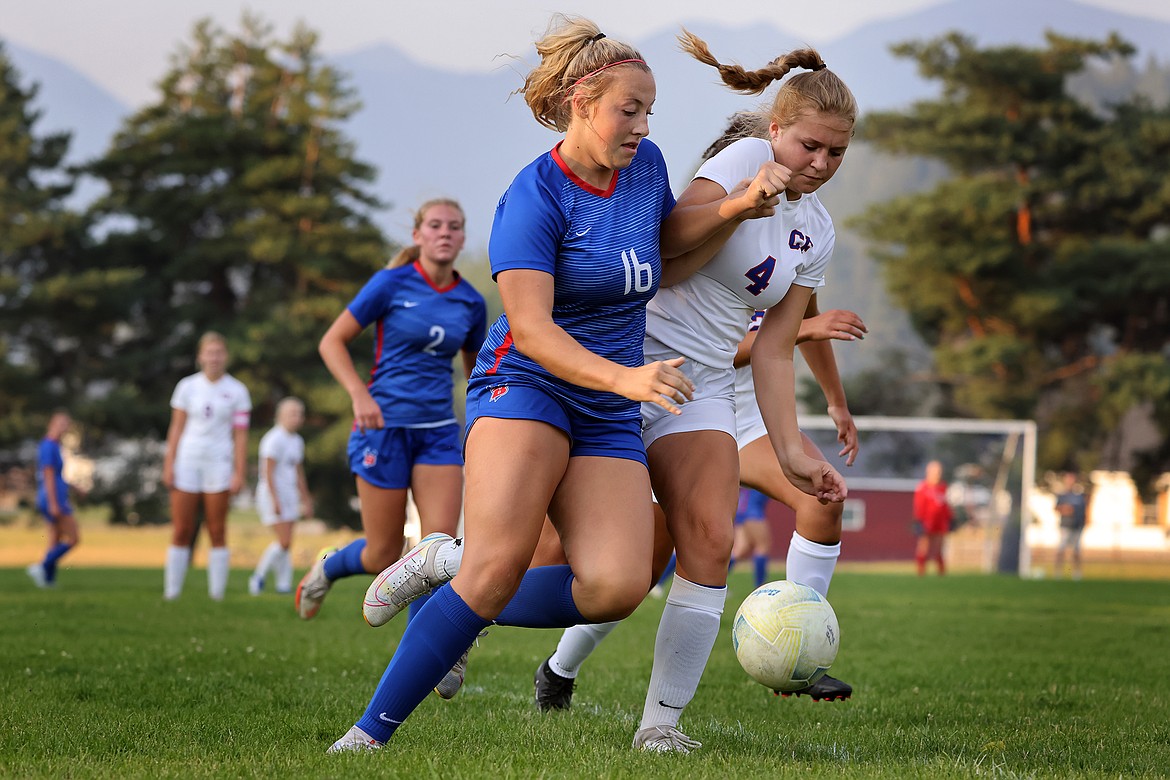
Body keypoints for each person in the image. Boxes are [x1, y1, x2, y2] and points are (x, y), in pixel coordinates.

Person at [361, 30, 855, 753]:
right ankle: (399, 679)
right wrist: (739, 205)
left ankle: (657, 726)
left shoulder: (698, 185)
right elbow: (567, 307)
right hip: (575, 372)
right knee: (507, 564)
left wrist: (789, 450)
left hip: (667, 389)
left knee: (651, 568)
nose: (823, 162)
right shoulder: (552, 192)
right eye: (631, 110)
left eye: (837, 152)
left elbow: (733, 307)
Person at [327, 16, 699, 752]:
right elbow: (530, 329)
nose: (644, 124)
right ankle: (367, 737)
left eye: (650, 110)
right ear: (581, 102)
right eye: (630, 109)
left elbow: (668, 247)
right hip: (524, 385)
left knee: (618, 585)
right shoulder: (533, 197)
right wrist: (626, 378)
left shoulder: (648, 166)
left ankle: (448, 569)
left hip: (608, 402)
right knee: (499, 568)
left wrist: (740, 207)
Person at [301, 198, 487, 623]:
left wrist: (485, 427)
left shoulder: (471, 303)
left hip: (438, 433)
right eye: (436, 225)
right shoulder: (391, 284)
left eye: (454, 227)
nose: (445, 233)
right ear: (417, 235)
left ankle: (428, 651)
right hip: (382, 428)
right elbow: (332, 342)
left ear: (462, 238)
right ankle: (325, 569)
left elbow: (478, 372)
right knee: (382, 552)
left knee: (435, 548)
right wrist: (359, 395)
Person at [162, 331, 252, 601]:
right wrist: (169, 463)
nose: (214, 358)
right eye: (209, 352)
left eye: (219, 352)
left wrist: (239, 471)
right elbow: (176, 428)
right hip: (188, 462)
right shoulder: (187, 387)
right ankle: (172, 592)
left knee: (217, 529)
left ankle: (217, 595)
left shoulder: (237, 391)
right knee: (181, 528)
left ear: (225, 356)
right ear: (200, 356)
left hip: (219, 464)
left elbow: (240, 435)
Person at [248, 397, 313, 596]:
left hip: (290, 494)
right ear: (281, 416)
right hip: (273, 494)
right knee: (283, 541)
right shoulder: (273, 439)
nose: (297, 418)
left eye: (299, 414)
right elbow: (267, 473)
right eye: (292, 414)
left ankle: (283, 585)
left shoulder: (297, 440)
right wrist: (274, 499)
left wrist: (306, 498)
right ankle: (258, 576)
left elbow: (298, 472)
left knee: (288, 542)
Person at [27, 410, 80, 588]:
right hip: (53, 499)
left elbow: (58, 476)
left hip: (54, 497)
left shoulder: (54, 446)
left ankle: (48, 580)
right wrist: (53, 503)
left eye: (67, 424)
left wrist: (74, 487)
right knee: (73, 538)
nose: (64, 427)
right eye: (61, 423)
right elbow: (48, 475)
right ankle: (41, 567)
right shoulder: (49, 446)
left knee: (55, 538)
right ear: (52, 423)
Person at [913, 459, 953, 576]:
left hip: (940, 523)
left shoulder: (943, 488)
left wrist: (950, 518)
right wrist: (919, 521)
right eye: (935, 471)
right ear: (928, 472)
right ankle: (921, 573)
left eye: (939, 471)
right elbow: (919, 506)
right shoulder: (923, 488)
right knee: (924, 546)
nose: (938, 473)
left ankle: (941, 573)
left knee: (939, 548)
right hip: (927, 522)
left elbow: (946, 505)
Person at [731, 487, 771, 588]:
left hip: (742, 510)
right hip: (753, 512)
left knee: (739, 550)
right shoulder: (765, 472)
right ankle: (760, 586)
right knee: (762, 547)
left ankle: (715, 583)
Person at [1053, 471, 1089, 580]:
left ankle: (1077, 574)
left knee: (1076, 551)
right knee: (1061, 549)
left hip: (1077, 526)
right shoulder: (1062, 496)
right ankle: (1058, 574)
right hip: (1065, 526)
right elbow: (1056, 508)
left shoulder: (1079, 496)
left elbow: (1083, 511)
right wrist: (1065, 509)